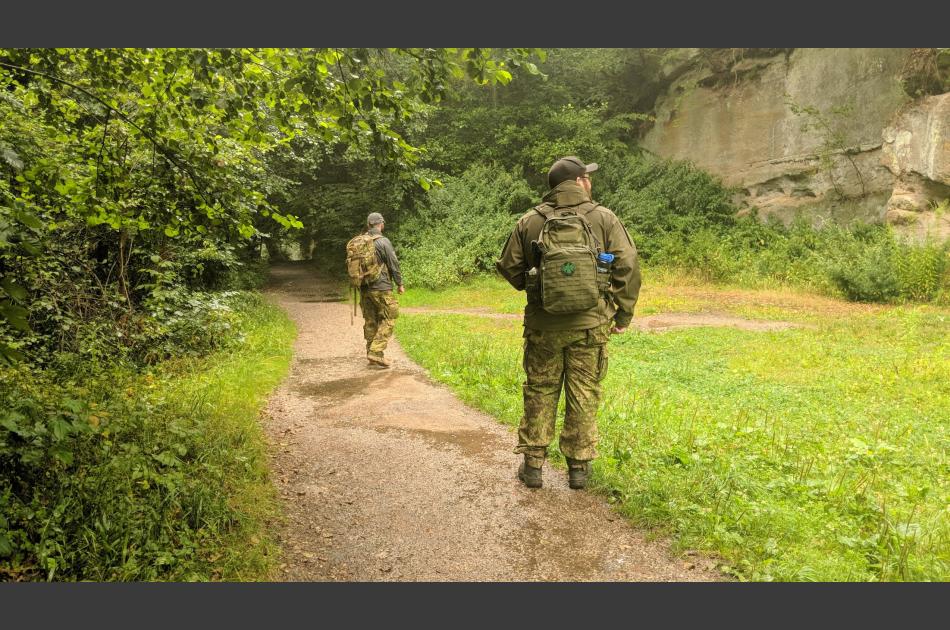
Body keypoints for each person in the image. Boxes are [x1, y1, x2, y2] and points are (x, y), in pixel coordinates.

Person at [496, 156, 641, 489]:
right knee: (584, 392)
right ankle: (578, 469)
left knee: (540, 390)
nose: (590, 181)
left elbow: (508, 266)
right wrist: (623, 312)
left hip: (543, 327)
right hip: (590, 326)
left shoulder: (530, 220)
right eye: (587, 177)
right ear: (580, 182)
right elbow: (628, 266)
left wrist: (534, 287)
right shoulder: (604, 218)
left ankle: (533, 466)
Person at [361, 212, 405, 368]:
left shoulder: (360, 241)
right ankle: (375, 352)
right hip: (381, 288)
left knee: (371, 321)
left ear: (368, 225)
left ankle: (372, 356)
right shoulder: (383, 242)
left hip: (364, 289)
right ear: (381, 224)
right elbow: (393, 263)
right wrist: (399, 283)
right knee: (390, 317)